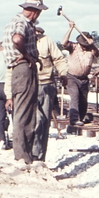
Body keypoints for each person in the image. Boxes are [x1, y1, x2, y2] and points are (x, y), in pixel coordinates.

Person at [3, 0, 47, 164]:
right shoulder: (22, 23)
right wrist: (28, 56)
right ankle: (23, 156)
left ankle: (23, 154)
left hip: (18, 69)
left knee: (23, 112)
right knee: (24, 114)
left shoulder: (13, 21)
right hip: (23, 68)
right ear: (35, 11)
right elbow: (17, 39)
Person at [33, 26, 68, 160]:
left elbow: (58, 59)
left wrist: (63, 73)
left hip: (46, 85)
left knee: (43, 123)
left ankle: (40, 157)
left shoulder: (47, 41)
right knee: (34, 121)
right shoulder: (21, 40)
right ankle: (29, 155)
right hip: (28, 87)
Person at [62, 21, 99, 128]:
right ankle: (74, 119)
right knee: (75, 97)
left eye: (86, 45)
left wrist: (92, 44)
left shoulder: (92, 50)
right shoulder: (73, 47)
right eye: (82, 45)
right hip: (72, 77)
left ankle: (81, 117)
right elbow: (64, 43)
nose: (84, 47)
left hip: (84, 79)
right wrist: (70, 28)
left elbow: (98, 53)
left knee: (83, 99)